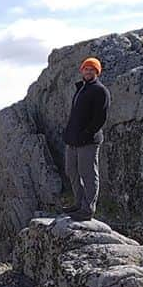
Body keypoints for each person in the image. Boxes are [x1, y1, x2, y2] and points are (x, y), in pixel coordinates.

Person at [61, 56, 110, 221]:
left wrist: (86, 134)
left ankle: (88, 209)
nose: (88, 72)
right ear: (81, 70)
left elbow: (100, 118)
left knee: (88, 173)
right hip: (73, 140)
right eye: (86, 69)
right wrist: (68, 133)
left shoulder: (100, 90)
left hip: (88, 141)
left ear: (97, 72)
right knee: (71, 171)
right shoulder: (81, 88)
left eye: (92, 69)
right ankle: (79, 203)